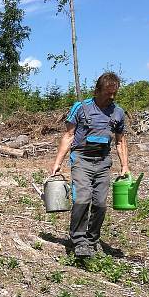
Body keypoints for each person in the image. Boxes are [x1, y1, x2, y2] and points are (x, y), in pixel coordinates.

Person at [51, 72, 130, 258]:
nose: (111, 97)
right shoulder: (81, 108)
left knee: (100, 204)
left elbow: (120, 141)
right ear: (97, 90)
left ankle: (92, 240)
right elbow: (68, 136)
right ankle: (78, 241)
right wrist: (57, 163)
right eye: (107, 93)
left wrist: (124, 165)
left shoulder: (118, 112)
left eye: (114, 94)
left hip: (103, 162)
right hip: (81, 159)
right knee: (82, 199)